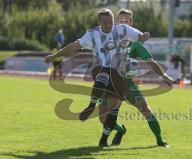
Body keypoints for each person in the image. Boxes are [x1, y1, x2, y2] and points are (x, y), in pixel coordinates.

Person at [45, 8, 151, 147]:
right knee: (104, 72)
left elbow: (140, 36)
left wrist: (143, 36)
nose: (108, 25)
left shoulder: (123, 29)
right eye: (105, 22)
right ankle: (91, 104)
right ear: (99, 23)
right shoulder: (93, 34)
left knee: (112, 110)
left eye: (110, 22)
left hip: (120, 74)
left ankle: (104, 139)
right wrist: (54, 56)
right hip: (100, 69)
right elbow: (74, 46)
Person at [83, 9, 173, 147]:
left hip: (127, 83)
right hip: (109, 83)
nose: (123, 23)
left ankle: (160, 140)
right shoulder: (105, 38)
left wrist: (164, 75)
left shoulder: (135, 43)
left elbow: (150, 61)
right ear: (117, 23)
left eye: (127, 21)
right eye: (121, 20)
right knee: (103, 118)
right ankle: (121, 129)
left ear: (131, 23)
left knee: (146, 109)